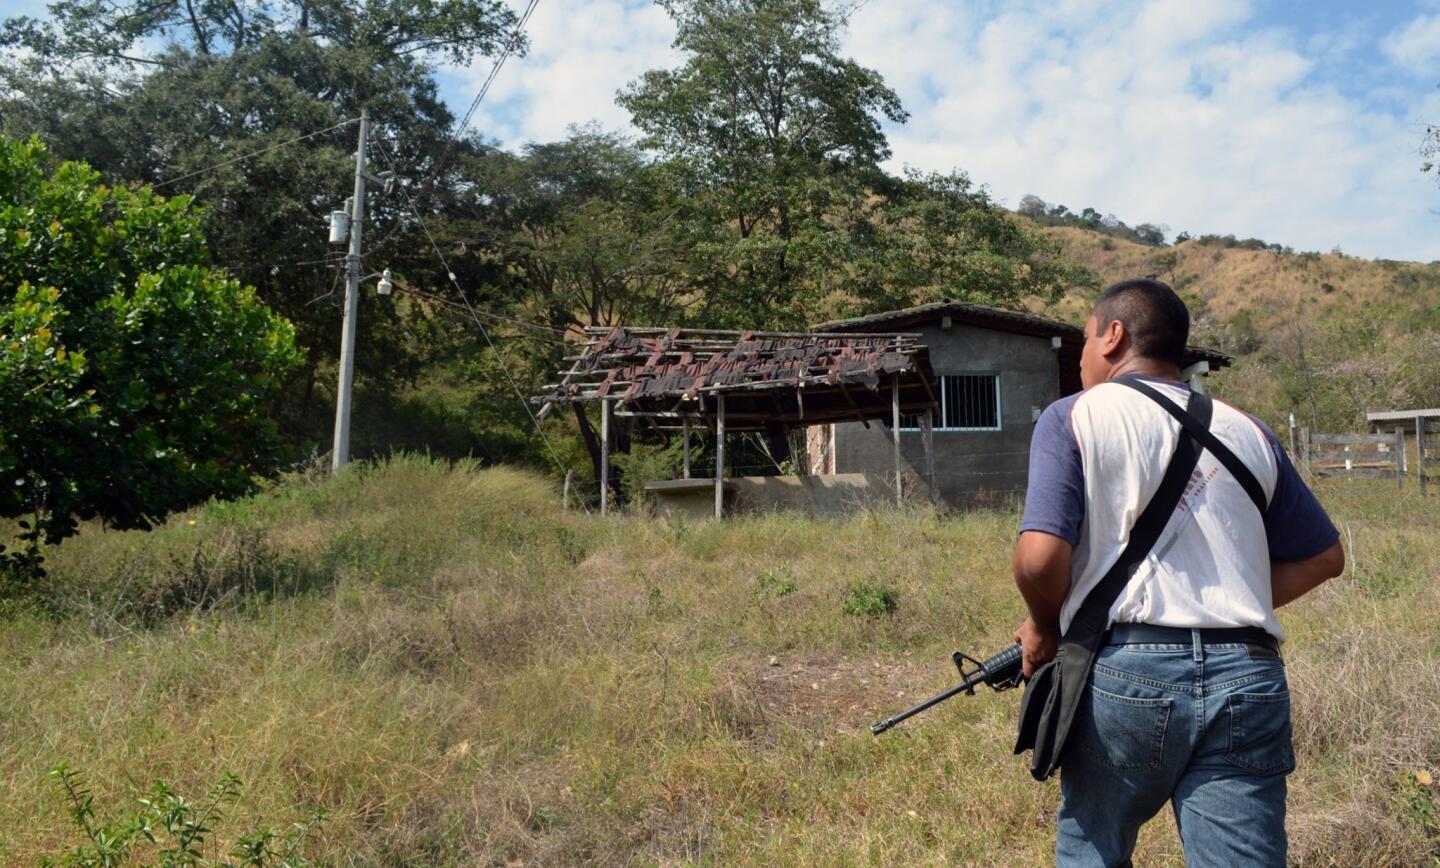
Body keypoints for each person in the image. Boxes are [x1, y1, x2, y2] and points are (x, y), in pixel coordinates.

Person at [1012, 278, 1345, 867]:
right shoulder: (1249, 429)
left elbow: (1040, 559)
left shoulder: (1075, 416)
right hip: (1250, 675)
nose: (1082, 356)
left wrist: (1042, 626)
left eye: (1085, 339)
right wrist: (1227, 595)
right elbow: (1325, 558)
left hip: (1127, 674)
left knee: (1095, 850)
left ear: (1112, 336)